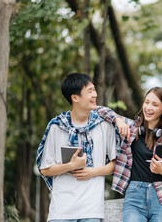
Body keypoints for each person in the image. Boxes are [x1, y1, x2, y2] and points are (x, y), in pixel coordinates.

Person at [36, 73, 121, 222]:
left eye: (94, 90)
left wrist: (93, 172)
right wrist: (70, 166)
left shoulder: (104, 126)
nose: (95, 95)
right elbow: (45, 169)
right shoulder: (57, 127)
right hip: (61, 211)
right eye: (89, 91)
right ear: (75, 97)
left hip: (91, 210)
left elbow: (117, 164)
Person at [96, 87, 162, 222]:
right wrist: (118, 120)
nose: (148, 107)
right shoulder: (131, 128)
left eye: (155, 104)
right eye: (147, 102)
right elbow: (97, 109)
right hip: (135, 196)